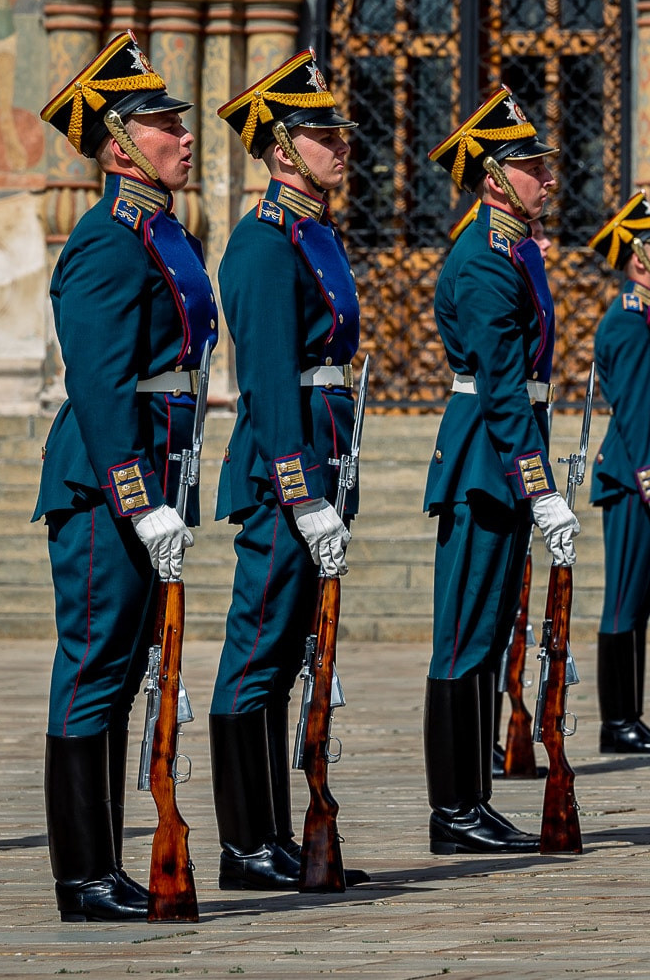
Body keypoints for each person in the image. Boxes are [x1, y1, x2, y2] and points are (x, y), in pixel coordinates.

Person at [34, 33, 214, 920]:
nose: (183, 135)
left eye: (180, 122)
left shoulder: (159, 230)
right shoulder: (107, 240)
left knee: (125, 663)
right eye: (163, 124)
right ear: (117, 144)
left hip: (152, 475)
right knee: (94, 667)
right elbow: (100, 385)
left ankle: (106, 862)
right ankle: (82, 873)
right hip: (107, 486)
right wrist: (139, 499)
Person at [206, 52, 365, 890]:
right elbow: (267, 379)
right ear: (279, 149)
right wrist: (302, 494)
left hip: (321, 460)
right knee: (257, 652)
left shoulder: (312, 233)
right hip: (282, 474)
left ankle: (277, 832)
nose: (342, 146)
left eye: (338, 133)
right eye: (321, 135)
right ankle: (245, 842)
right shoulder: (264, 245)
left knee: (289, 649)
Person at [422, 88, 571, 854]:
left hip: (502, 455)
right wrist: (540, 486)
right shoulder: (484, 260)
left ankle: (471, 797)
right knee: (464, 638)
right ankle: (454, 808)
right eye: (530, 167)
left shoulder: (510, 248)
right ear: (492, 177)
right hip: (487, 459)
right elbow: (503, 385)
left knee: (486, 634)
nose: (547, 178)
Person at [587, 191, 650, 754]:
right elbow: (632, 411)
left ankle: (630, 715)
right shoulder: (627, 321)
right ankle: (616, 719)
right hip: (631, 475)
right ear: (636, 256)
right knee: (624, 600)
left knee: (643, 593)